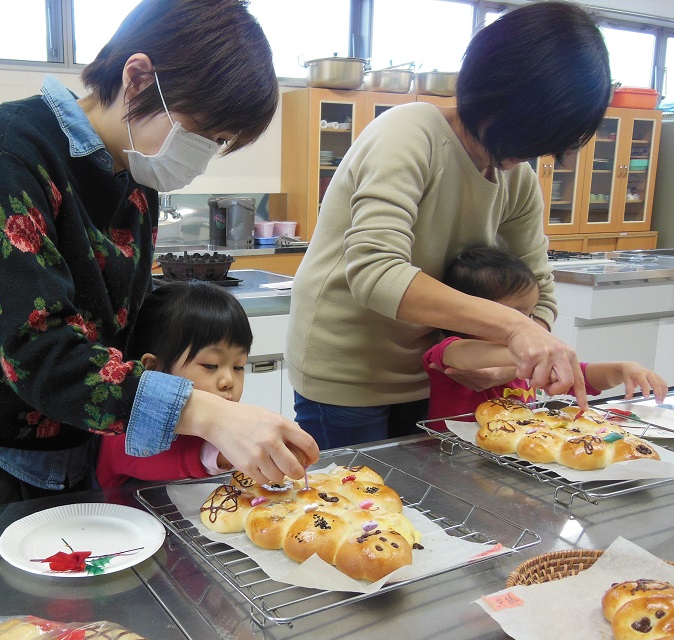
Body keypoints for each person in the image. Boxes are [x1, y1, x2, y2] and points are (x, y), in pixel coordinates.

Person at [0, 0, 318, 519]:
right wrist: (202, 412)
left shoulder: (134, 181)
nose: (203, 156)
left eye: (220, 144)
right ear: (137, 78)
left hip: (73, 447)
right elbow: (41, 351)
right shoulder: (3, 156)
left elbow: (117, 319)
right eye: (201, 132)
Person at [285, 1, 613, 449]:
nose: (528, 151)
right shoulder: (410, 133)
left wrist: (511, 348)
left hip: (436, 373)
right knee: (358, 505)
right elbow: (375, 272)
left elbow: (542, 290)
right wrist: (513, 329)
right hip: (348, 374)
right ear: (493, 90)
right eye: (528, 130)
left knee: (423, 510)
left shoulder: (516, 179)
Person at [423, 247, 668, 419]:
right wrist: (522, 353)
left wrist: (622, 370)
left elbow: (580, 376)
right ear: (472, 317)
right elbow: (461, 356)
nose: (528, 327)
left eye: (529, 316)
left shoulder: (527, 362)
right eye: (514, 316)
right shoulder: (451, 349)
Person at [97, 280, 251, 487]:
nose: (228, 381)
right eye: (211, 365)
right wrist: (220, 455)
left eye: (238, 367)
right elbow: (154, 460)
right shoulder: (123, 427)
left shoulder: (219, 418)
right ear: (154, 369)